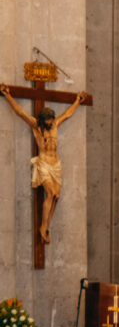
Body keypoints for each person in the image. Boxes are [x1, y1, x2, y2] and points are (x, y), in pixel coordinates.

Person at [0, 85, 87, 243]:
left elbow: (67, 114)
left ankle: (46, 226)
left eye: (52, 119)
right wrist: (7, 95)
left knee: (56, 196)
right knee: (51, 193)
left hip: (56, 164)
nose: (51, 121)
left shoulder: (55, 125)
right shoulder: (36, 126)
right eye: (48, 119)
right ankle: (42, 227)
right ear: (42, 119)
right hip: (44, 164)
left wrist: (77, 101)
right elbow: (20, 112)